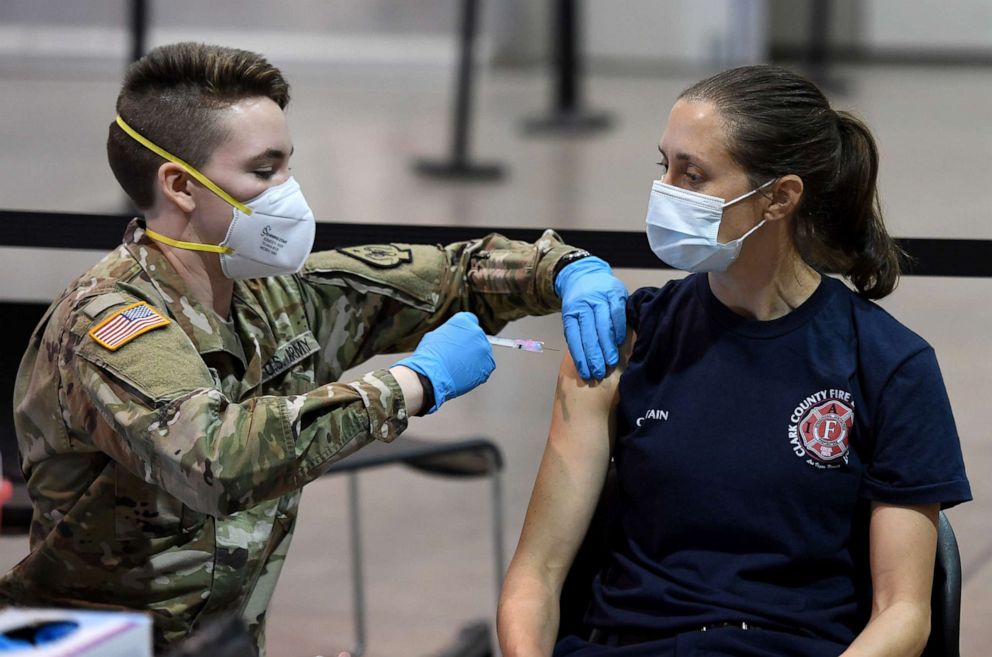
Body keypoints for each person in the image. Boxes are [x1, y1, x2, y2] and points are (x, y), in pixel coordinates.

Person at [0, 42, 628, 654]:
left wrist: (562, 271)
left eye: (288, 166)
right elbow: (216, 462)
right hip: (88, 644)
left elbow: (446, 276)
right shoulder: (109, 324)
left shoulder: (271, 296)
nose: (289, 192)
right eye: (263, 171)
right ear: (180, 185)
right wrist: (412, 384)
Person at [497, 64, 972, 657]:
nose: (666, 190)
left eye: (692, 174)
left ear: (779, 197)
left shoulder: (889, 365)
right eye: (663, 165)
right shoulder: (623, 341)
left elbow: (902, 613)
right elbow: (533, 579)